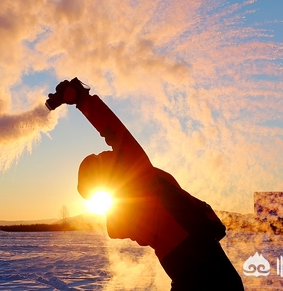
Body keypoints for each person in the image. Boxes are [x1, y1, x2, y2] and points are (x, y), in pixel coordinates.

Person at [46, 78, 244, 291]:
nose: (108, 154)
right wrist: (81, 99)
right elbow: (117, 133)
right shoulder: (139, 180)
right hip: (198, 254)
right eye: (101, 159)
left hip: (182, 262)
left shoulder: (127, 206)